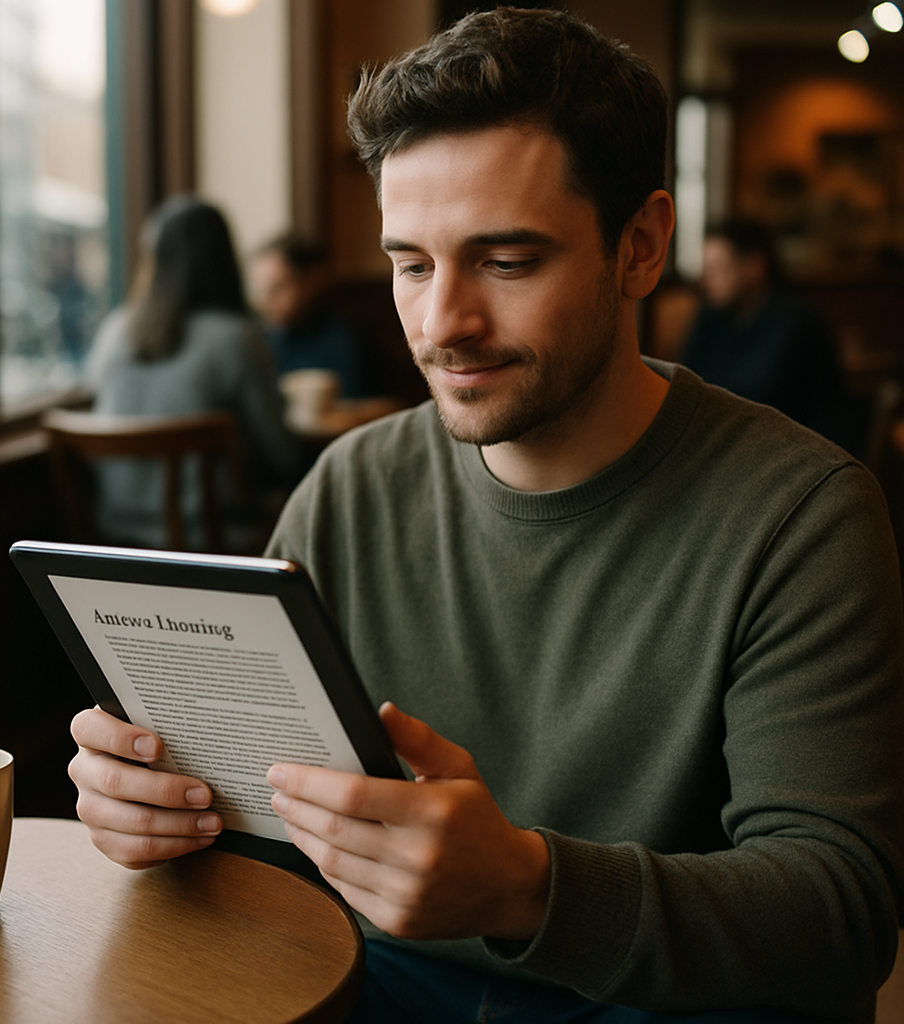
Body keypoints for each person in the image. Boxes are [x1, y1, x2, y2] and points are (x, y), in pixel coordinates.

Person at [69, 10, 904, 1023]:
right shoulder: (350, 486)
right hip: (376, 977)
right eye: (411, 263)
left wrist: (526, 886)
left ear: (639, 248)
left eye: (505, 261)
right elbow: (270, 831)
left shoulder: (801, 514)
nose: (440, 323)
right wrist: (165, 813)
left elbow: (838, 912)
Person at [84, 195, 301, 550]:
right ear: (223, 258)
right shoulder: (236, 338)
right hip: (215, 540)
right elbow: (283, 457)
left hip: (114, 538)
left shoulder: (113, 330)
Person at [680, 218, 869, 456]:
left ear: (755, 266)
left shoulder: (795, 324)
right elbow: (687, 381)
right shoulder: (712, 317)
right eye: (706, 271)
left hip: (797, 457)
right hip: (736, 450)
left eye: (719, 270)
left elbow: (753, 397)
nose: (707, 281)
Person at [249, 232, 369, 398]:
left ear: (311, 281)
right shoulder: (252, 337)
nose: (266, 300)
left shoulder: (341, 337)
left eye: (278, 288)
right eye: (260, 290)